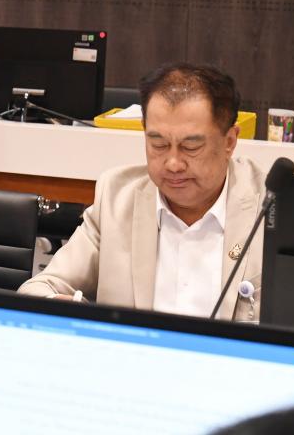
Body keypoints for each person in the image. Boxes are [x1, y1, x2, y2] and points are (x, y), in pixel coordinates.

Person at [18, 63, 266, 321]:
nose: (173, 164)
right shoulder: (117, 198)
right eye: (158, 144)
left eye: (191, 147)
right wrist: (60, 307)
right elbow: (37, 289)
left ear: (229, 142)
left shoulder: (272, 207)